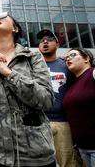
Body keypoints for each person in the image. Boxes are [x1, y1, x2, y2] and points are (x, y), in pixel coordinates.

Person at [0, 12, 56, 167]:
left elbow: (46, 100)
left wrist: (8, 73)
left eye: (1, 16)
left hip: (34, 154)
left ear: (15, 28)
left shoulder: (32, 57)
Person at [37, 29, 82, 167]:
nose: (45, 42)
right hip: (39, 123)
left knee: (67, 162)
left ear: (57, 44)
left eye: (49, 39)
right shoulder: (33, 67)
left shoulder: (68, 66)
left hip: (63, 123)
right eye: (41, 40)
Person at [63, 48, 95, 167]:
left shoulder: (92, 73)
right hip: (83, 148)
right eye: (67, 57)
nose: (68, 58)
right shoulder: (74, 84)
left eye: (73, 55)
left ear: (86, 58)